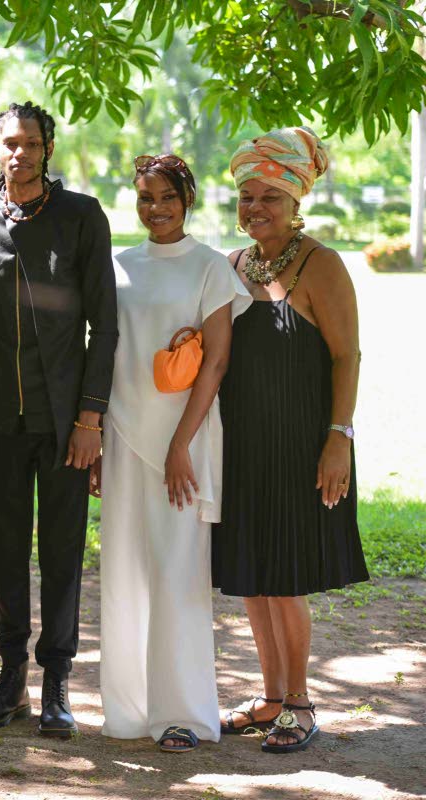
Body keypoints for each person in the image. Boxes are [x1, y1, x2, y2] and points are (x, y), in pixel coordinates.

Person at [0, 102, 117, 735]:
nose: (19, 153)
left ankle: (57, 684)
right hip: (3, 413)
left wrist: (91, 417)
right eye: (9, 144)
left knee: (60, 551)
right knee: (4, 550)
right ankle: (10, 680)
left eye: (30, 142)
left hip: (65, 418)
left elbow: (104, 324)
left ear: (48, 146)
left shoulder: (81, 215)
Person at [214, 127, 367, 754]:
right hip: (243, 445)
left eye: (270, 197)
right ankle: (271, 696)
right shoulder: (232, 265)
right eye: (247, 196)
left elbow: (347, 357)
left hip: (301, 446)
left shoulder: (322, 264)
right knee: (254, 577)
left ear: (296, 200)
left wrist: (340, 440)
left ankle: (300, 704)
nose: (256, 208)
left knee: (284, 580)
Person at [95, 154, 251, 752]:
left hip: (183, 442)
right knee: (127, 573)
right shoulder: (116, 266)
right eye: (144, 198)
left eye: (166, 197)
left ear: (187, 199)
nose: (155, 208)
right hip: (123, 436)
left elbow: (214, 362)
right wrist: (103, 436)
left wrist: (181, 445)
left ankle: (183, 714)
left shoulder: (212, 268)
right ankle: (131, 711)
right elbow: (108, 355)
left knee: (178, 572)